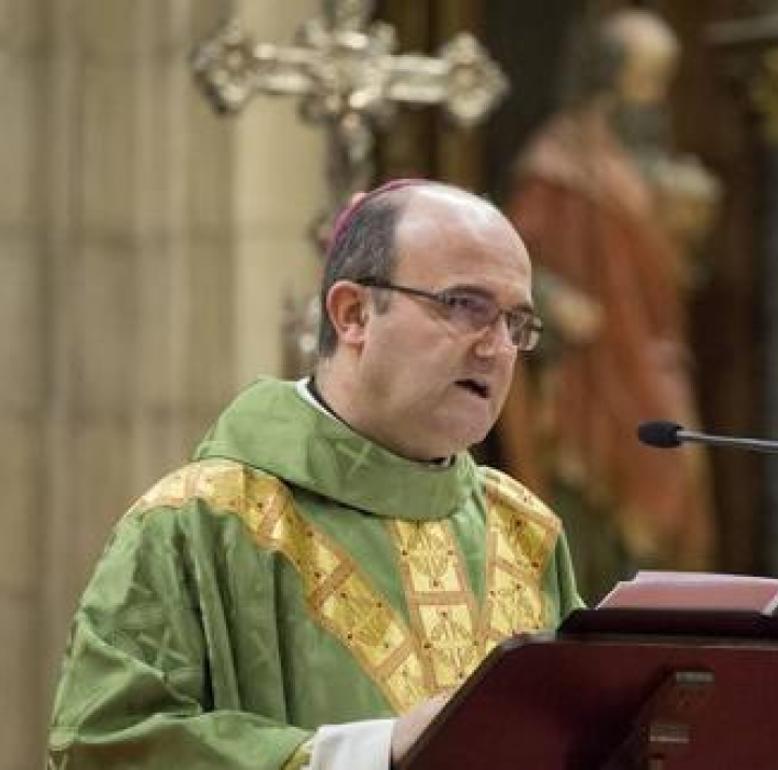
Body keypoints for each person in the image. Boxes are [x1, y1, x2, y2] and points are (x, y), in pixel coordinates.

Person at [46, 180, 584, 770]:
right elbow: (102, 746)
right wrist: (370, 754)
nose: (497, 349)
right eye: (465, 306)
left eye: (517, 324)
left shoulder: (525, 531)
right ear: (353, 315)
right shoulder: (200, 519)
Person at [501, 9, 718, 597]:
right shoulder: (559, 164)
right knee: (596, 503)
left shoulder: (644, 168)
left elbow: (663, 276)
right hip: (590, 370)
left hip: (648, 358)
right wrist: (553, 297)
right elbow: (511, 261)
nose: (655, 98)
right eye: (647, 79)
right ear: (610, 77)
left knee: (674, 483)